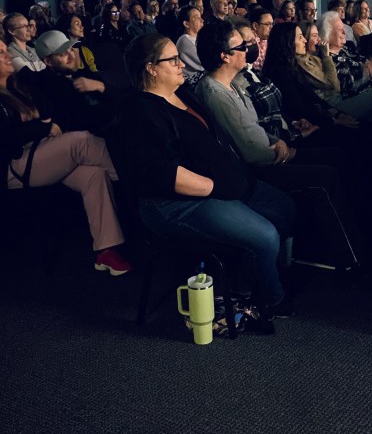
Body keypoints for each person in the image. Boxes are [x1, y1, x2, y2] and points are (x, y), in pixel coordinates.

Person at [115, 33, 295, 322]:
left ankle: (246, 283)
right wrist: (219, 186)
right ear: (150, 68)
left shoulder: (183, 93)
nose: (181, 64)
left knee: (285, 209)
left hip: (221, 185)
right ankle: (273, 300)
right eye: (172, 59)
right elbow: (165, 174)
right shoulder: (140, 111)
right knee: (265, 236)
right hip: (175, 203)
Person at [194, 21, 363, 271]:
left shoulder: (234, 82)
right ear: (224, 56)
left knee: (336, 157)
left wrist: (279, 141)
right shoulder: (215, 93)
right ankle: (351, 262)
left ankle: (339, 238)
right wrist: (286, 149)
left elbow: (256, 128)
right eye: (240, 46)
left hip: (271, 152)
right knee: (325, 177)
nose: (248, 49)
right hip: (256, 170)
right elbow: (252, 152)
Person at [0, 38, 132, 275]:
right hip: (15, 165)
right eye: (1, 53)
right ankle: (141, 180)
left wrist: (44, 125)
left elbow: (52, 114)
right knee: (80, 140)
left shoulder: (20, 86)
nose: (8, 55)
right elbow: (6, 138)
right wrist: (41, 127)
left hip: (42, 154)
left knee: (95, 174)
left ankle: (106, 251)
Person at [176, 4, 204, 79]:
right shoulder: (184, 39)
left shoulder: (199, 38)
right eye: (197, 17)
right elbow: (204, 62)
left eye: (201, 17)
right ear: (186, 24)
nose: (202, 20)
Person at [248, 6, 274, 72]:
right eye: (268, 24)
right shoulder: (249, 42)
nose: (271, 28)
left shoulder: (266, 40)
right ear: (255, 26)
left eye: (272, 24)